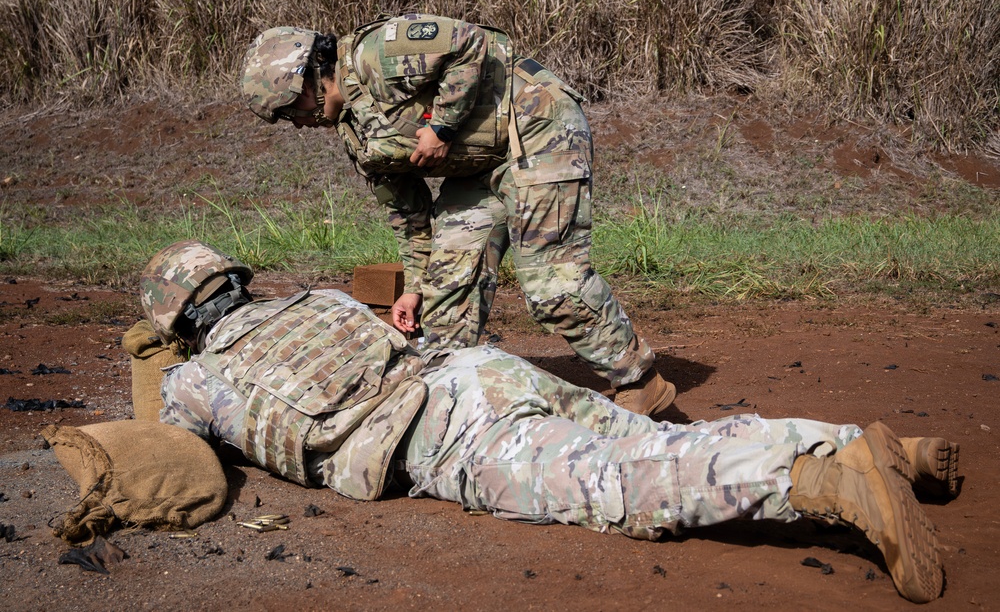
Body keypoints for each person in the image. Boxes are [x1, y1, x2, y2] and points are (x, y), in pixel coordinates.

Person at [142, 240, 958, 604]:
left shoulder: (194, 378)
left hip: (439, 434)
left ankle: (820, 484)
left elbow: (160, 427)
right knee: (656, 441)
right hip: (480, 370)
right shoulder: (314, 298)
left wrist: (158, 347)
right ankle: (859, 442)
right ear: (235, 281)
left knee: (627, 487)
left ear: (179, 322)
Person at [239, 14, 675, 417]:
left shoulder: (375, 55)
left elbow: (471, 42)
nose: (295, 124)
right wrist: (413, 288)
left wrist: (442, 126)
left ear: (306, 83)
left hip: (537, 125)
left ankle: (638, 378)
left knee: (550, 282)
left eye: (288, 112)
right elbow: (409, 219)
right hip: (480, 165)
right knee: (444, 292)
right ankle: (454, 397)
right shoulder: (357, 138)